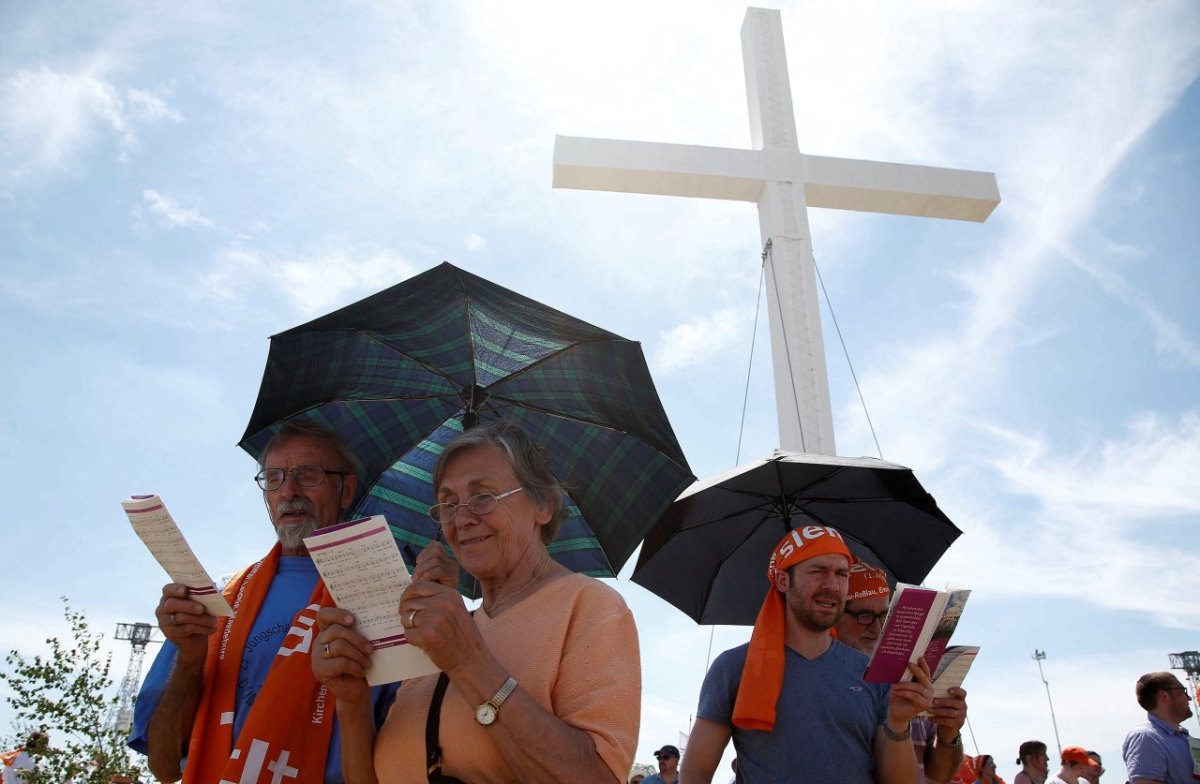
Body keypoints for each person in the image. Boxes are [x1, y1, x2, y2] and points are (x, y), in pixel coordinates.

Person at [128, 420, 457, 784]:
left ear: (345, 490)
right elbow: (163, 765)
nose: (288, 491)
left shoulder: (391, 601)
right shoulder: (220, 599)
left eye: (309, 475)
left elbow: (412, 756)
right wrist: (191, 657)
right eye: (273, 478)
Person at [314, 419, 641, 782]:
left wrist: (468, 661)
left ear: (543, 505)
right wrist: (352, 701)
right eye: (448, 504)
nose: (463, 518)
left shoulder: (590, 607)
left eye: (483, 496)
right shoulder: (448, 628)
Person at [680, 526, 934, 783]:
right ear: (782, 580)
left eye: (841, 574)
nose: (832, 585)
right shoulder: (733, 667)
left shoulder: (871, 673)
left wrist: (899, 723)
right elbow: (695, 773)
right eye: (818, 571)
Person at [834, 562, 969, 784]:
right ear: (835, 615)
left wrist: (949, 732)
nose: (877, 629)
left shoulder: (912, 679)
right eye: (865, 616)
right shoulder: (823, 678)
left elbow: (939, 775)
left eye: (884, 616)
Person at [1122, 671, 1196, 784]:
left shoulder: (1183, 737)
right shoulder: (1146, 737)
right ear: (1164, 696)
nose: (1189, 698)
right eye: (1183, 692)